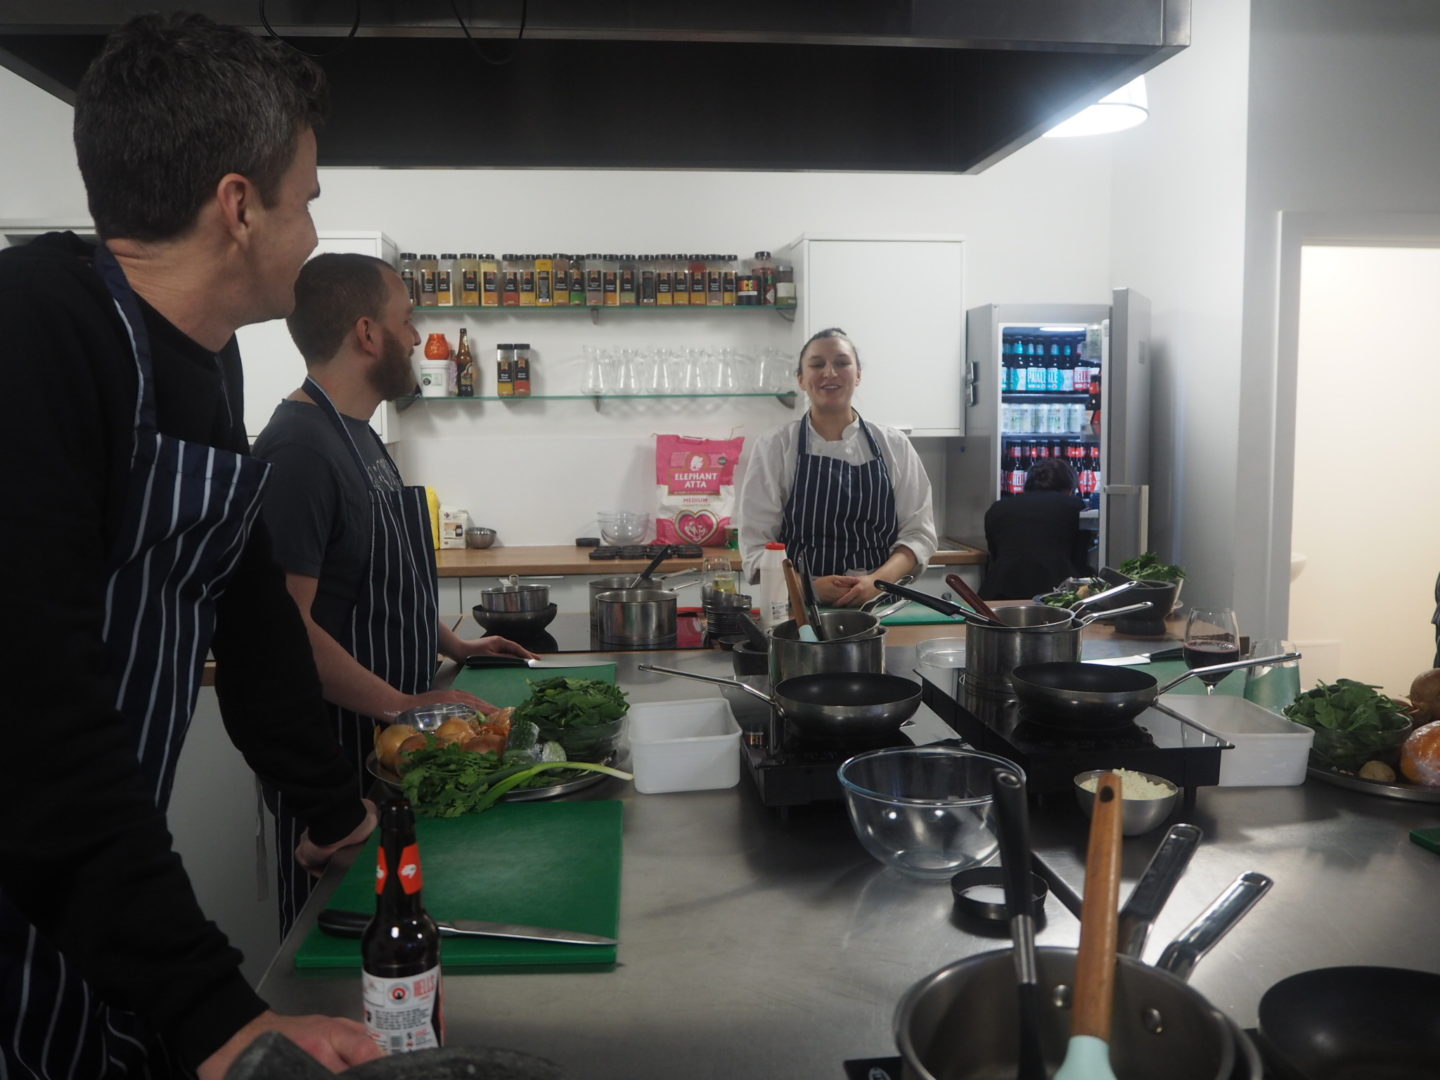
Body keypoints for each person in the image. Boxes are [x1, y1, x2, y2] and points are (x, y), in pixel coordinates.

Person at [0, 13, 384, 1078]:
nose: (311, 230)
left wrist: (332, 810)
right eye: (304, 199)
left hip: (96, 878)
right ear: (237, 206)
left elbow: (249, 603)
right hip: (31, 857)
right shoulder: (38, 333)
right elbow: (32, 724)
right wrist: (220, 1016)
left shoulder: (208, 365)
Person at [253, 252, 538, 932]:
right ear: (367, 334)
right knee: (346, 942)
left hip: (394, 744)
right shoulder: (298, 450)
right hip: (342, 757)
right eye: (407, 321)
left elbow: (376, 574)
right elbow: (285, 629)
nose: (417, 339)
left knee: (405, 927)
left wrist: (452, 643)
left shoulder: (360, 435)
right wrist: (405, 705)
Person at [738, 327, 937, 606]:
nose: (830, 372)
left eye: (842, 363)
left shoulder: (894, 445)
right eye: (817, 364)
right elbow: (757, 546)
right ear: (801, 379)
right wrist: (809, 586)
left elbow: (919, 535)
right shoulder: (775, 446)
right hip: (800, 608)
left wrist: (875, 582)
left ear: (858, 374)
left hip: (881, 606)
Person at [978, 457, 1093, 600]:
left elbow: (996, 553)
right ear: (1069, 487)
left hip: (999, 592)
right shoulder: (1075, 506)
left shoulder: (998, 508)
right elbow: (1080, 558)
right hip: (1055, 594)